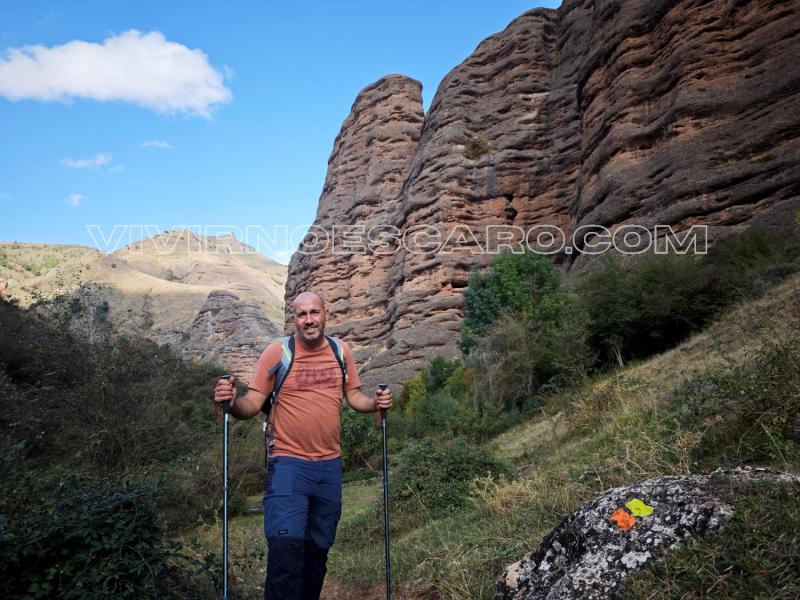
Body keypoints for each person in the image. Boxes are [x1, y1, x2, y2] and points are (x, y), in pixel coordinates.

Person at [213, 291, 393, 599]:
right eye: (301, 314)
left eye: (314, 312)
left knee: (317, 548)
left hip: (330, 467)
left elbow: (354, 397)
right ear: (293, 318)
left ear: (325, 313)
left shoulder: (341, 351)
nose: (308, 320)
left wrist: (376, 402)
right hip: (288, 463)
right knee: (285, 543)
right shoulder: (276, 353)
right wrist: (231, 402)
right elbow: (251, 405)